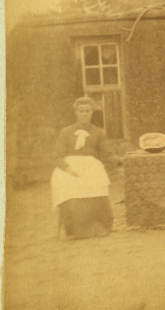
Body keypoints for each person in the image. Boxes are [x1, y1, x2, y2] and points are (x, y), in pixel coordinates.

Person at [50, 97, 121, 239]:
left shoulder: (99, 133)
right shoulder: (66, 132)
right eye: (81, 111)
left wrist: (120, 160)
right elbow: (57, 155)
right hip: (68, 166)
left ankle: (99, 227)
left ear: (92, 113)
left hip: (91, 167)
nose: (84, 114)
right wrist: (68, 169)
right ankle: (73, 229)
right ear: (76, 112)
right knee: (65, 183)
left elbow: (107, 154)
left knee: (96, 180)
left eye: (87, 111)